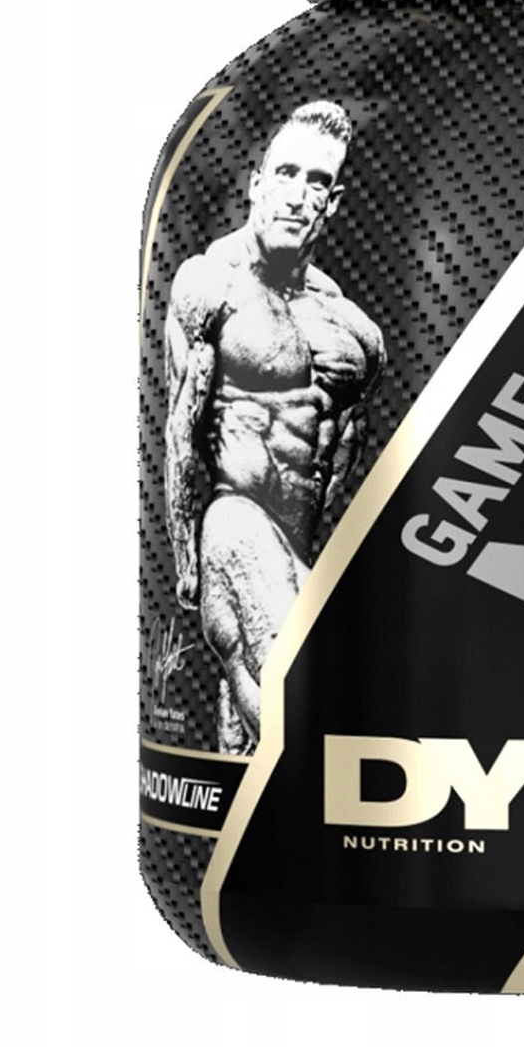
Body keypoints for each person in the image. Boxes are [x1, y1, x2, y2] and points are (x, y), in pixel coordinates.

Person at [165, 100, 385, 754]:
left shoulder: (349, 326)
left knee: (247, 742)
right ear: (257, 183)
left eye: (317, 182)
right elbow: (180, 430)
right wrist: (186, 561)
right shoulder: (211, 285)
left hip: (298, 544)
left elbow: (343, 447)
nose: (296, 195)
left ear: (333, 201)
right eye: (285, 174)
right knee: (301, 710)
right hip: (233, 520)